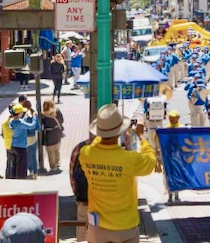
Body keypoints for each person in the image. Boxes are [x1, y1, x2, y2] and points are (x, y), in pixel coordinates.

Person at [80, 103, 156, 243]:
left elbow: (97, 141)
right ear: (119, 132)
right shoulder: (129, 159)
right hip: (124, 227)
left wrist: (103, 129)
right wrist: (141, 137)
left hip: (96, 227)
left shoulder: (86, 154)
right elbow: (151, 162)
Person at [70, 134, 94, 242]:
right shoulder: (106, 149)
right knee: (97, 227)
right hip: (102, 199)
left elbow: (72, 173)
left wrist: (76, 193)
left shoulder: (79, 147)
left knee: (82, 225)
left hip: (83, 196)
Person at [9, 103, 37, 179]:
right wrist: (34, 117)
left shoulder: (11, 121)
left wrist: (25, 118)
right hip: (21, 147)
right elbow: (32, 126)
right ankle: (21, 180)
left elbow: (20, 125)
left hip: (13, 146)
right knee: (22, 165)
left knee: (14, 164)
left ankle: (13, 178)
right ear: (20, 113)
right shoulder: (20, 123)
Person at [41, 99, 64, 172]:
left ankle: (53, 166)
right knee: (57, 149)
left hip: (49, 134)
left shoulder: (43, 115)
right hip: (57, 132)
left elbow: (42, 125)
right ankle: (57, 163)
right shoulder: (57, 111)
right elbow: (62, 120)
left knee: (50, 151)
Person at [20, 96, 40, 179]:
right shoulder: (33, 114)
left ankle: (30, 170)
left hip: (24, 138)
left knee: (27, 155)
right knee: (33, 156)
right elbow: (38, 128)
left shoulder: (22, 115)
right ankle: (35, 172)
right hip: (33, 138)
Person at [2, 106, 15, 179]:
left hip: (7, 145)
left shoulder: (4, 123)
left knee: (9, 161)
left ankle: (8, 176)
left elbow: (3, 135)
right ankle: (14, 176)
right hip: (16, 145)